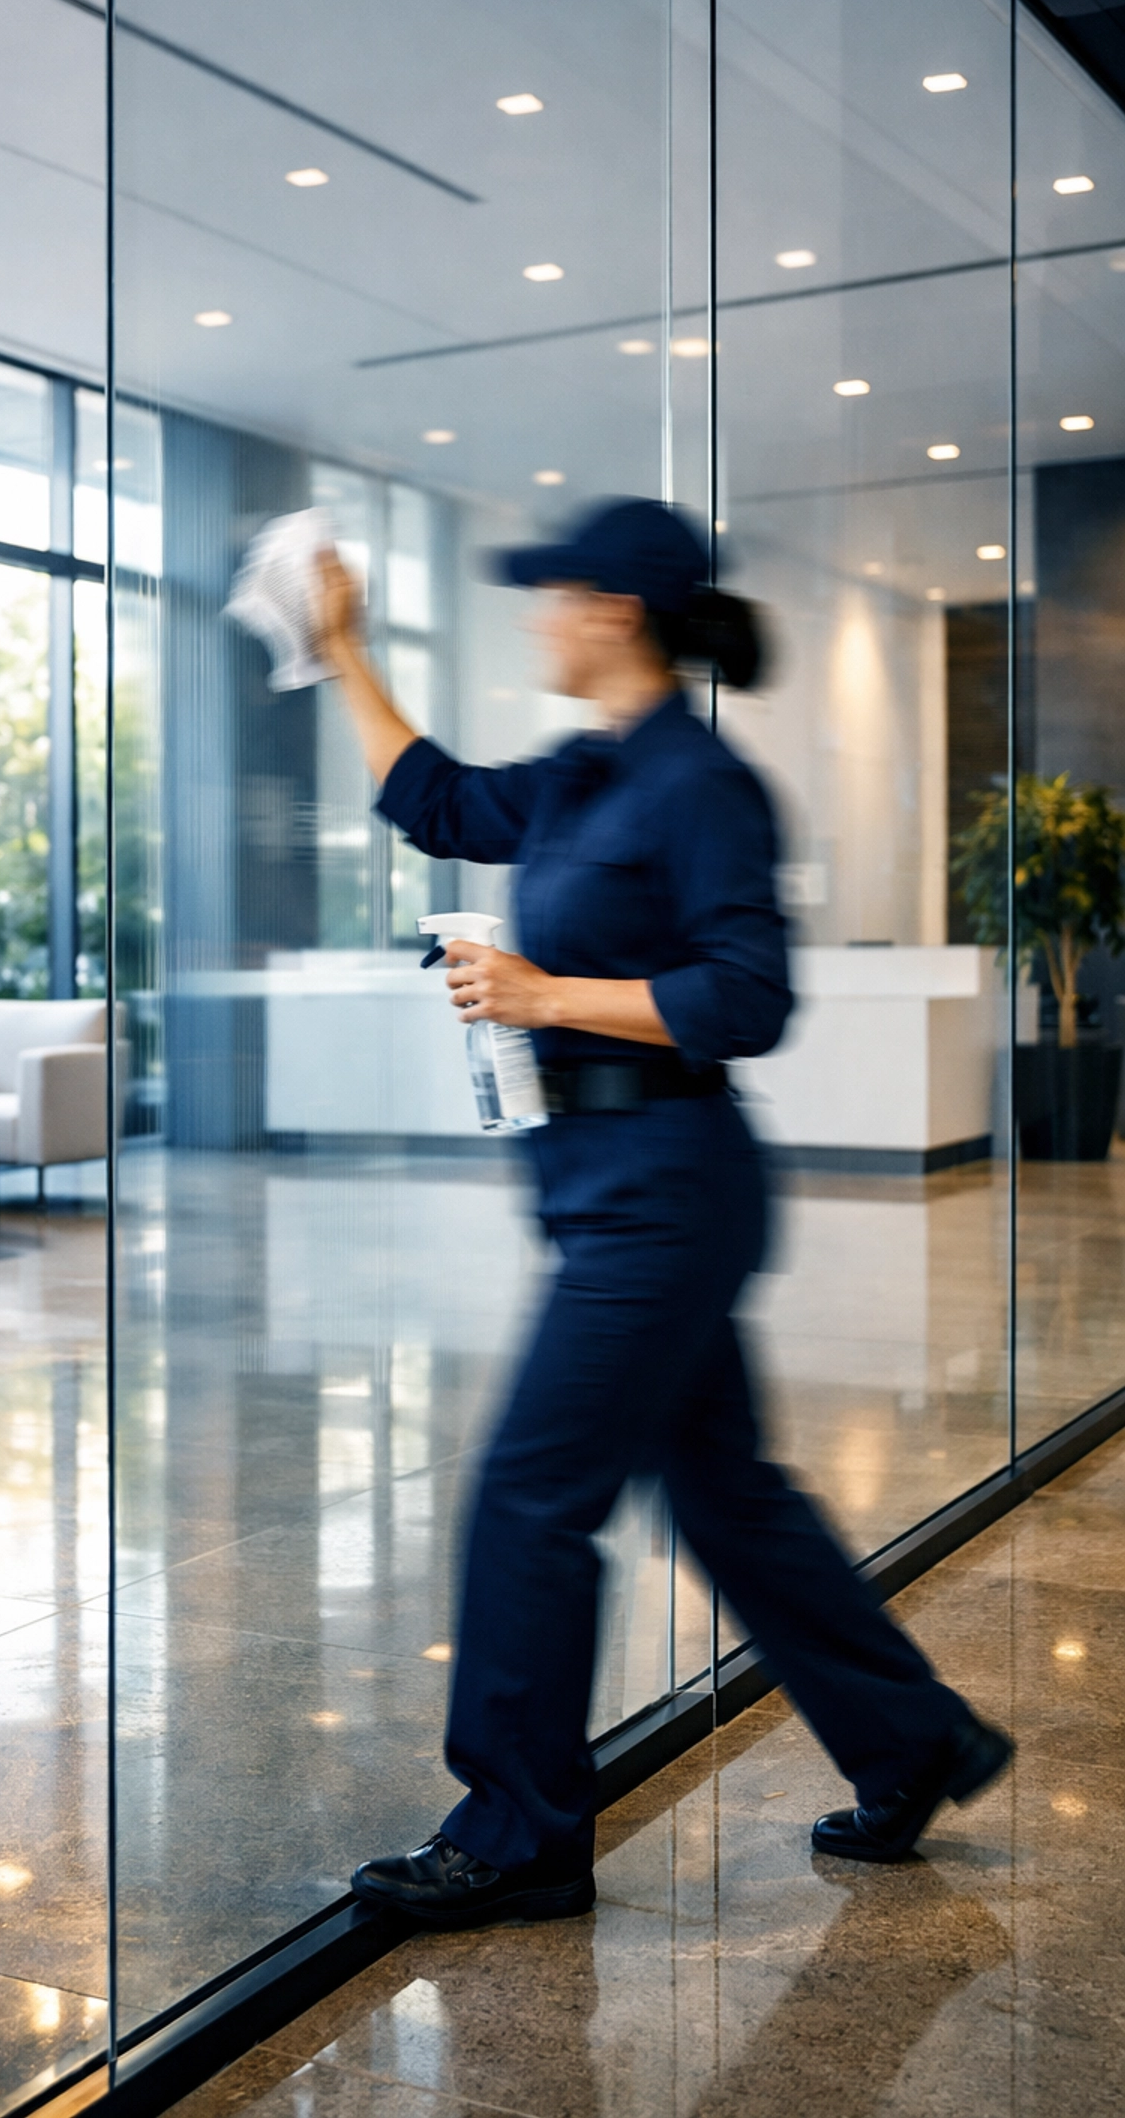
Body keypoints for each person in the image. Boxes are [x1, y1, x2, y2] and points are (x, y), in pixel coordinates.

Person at [315, 497, 1012, 1927]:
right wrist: (342, 652)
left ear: (613, 612)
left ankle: (520, 1835)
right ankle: (912, 1738)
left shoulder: (701, 785)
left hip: (667, 1202)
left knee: (530, 1494)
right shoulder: (584, 773)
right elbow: (439, 800)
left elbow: (749, 997)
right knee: (728, 1499)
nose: (529, 617)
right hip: (602, 1191)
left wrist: (545, 994)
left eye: (547, 594)